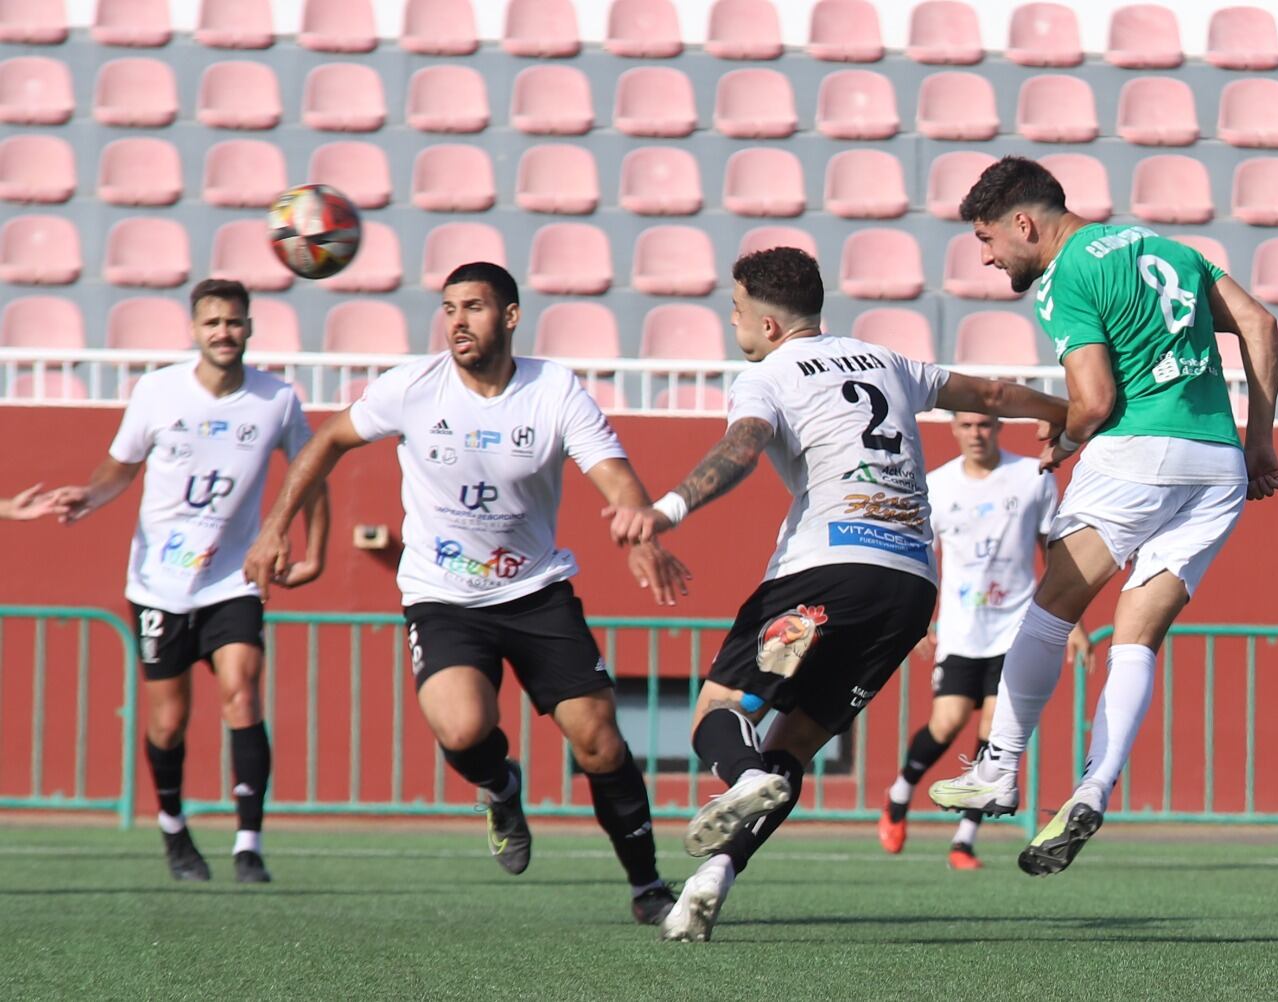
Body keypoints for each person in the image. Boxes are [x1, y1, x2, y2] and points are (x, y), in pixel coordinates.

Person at [605, 247, 1072, 941]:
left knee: (719, 712)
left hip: (825, 569)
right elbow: (995, 398)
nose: (732, 319)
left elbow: (742, 446)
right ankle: (712, 879)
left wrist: (668, 508)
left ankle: (738, 778)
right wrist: (1062, 410)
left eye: (735, 309)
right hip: (910, 589)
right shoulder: (886, 361)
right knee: (791, 749)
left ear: (765, 325)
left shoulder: (769, 375)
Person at [243, 262, 690, 924]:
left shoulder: (554, 389)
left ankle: (649, 887)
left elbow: (615, 476)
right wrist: (274, 529)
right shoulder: (415, 387)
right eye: (448, 307)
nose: (457, 320)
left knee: (599, 742)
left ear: (509, 316)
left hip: (536, 591)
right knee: (463, 726)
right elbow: (331, 437)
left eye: (474, 307)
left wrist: (644, 535)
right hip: (442, 595)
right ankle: (500, 787)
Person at [927, 155, 1278, 876]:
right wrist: (1261, 441)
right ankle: (1093, 787)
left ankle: (999, 769)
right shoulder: (1171, 250)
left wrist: (1065, 437)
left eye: (989, 241)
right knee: (1136, 637)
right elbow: (1258, 320)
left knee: (1052, 607)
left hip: (1136, 456)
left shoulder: (1068, 278)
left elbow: (1091, 402)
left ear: (1025, 223)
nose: (990, 259)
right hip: (1215, 465)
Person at [46, 278, 330, 884]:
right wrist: (89, 496)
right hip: (159, 584)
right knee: (168, 720)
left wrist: (316, 553)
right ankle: (174, 828)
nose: (224, 333)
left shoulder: (276, 399)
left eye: (234, 322)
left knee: (242, 691)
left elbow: (312, 471)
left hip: (233, 579)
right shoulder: (157, 391)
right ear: (194, 330)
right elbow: (119, 468)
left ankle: (248, 844)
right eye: (212, 323)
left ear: (250, 328)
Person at [877, 411, 1089, 869]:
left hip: (1016, 627)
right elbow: (917, 556)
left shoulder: (1031, 477)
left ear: (999, 427)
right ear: (953, 429)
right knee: (947, 723)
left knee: (994, 731)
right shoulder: (937, 485)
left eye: (985, 424)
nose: (977, 433)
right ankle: (899, 795)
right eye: (967, 425)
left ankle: (964, 838)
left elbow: (1055, 551)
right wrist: (914, 619)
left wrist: (1073, 623)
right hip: (960, 629)